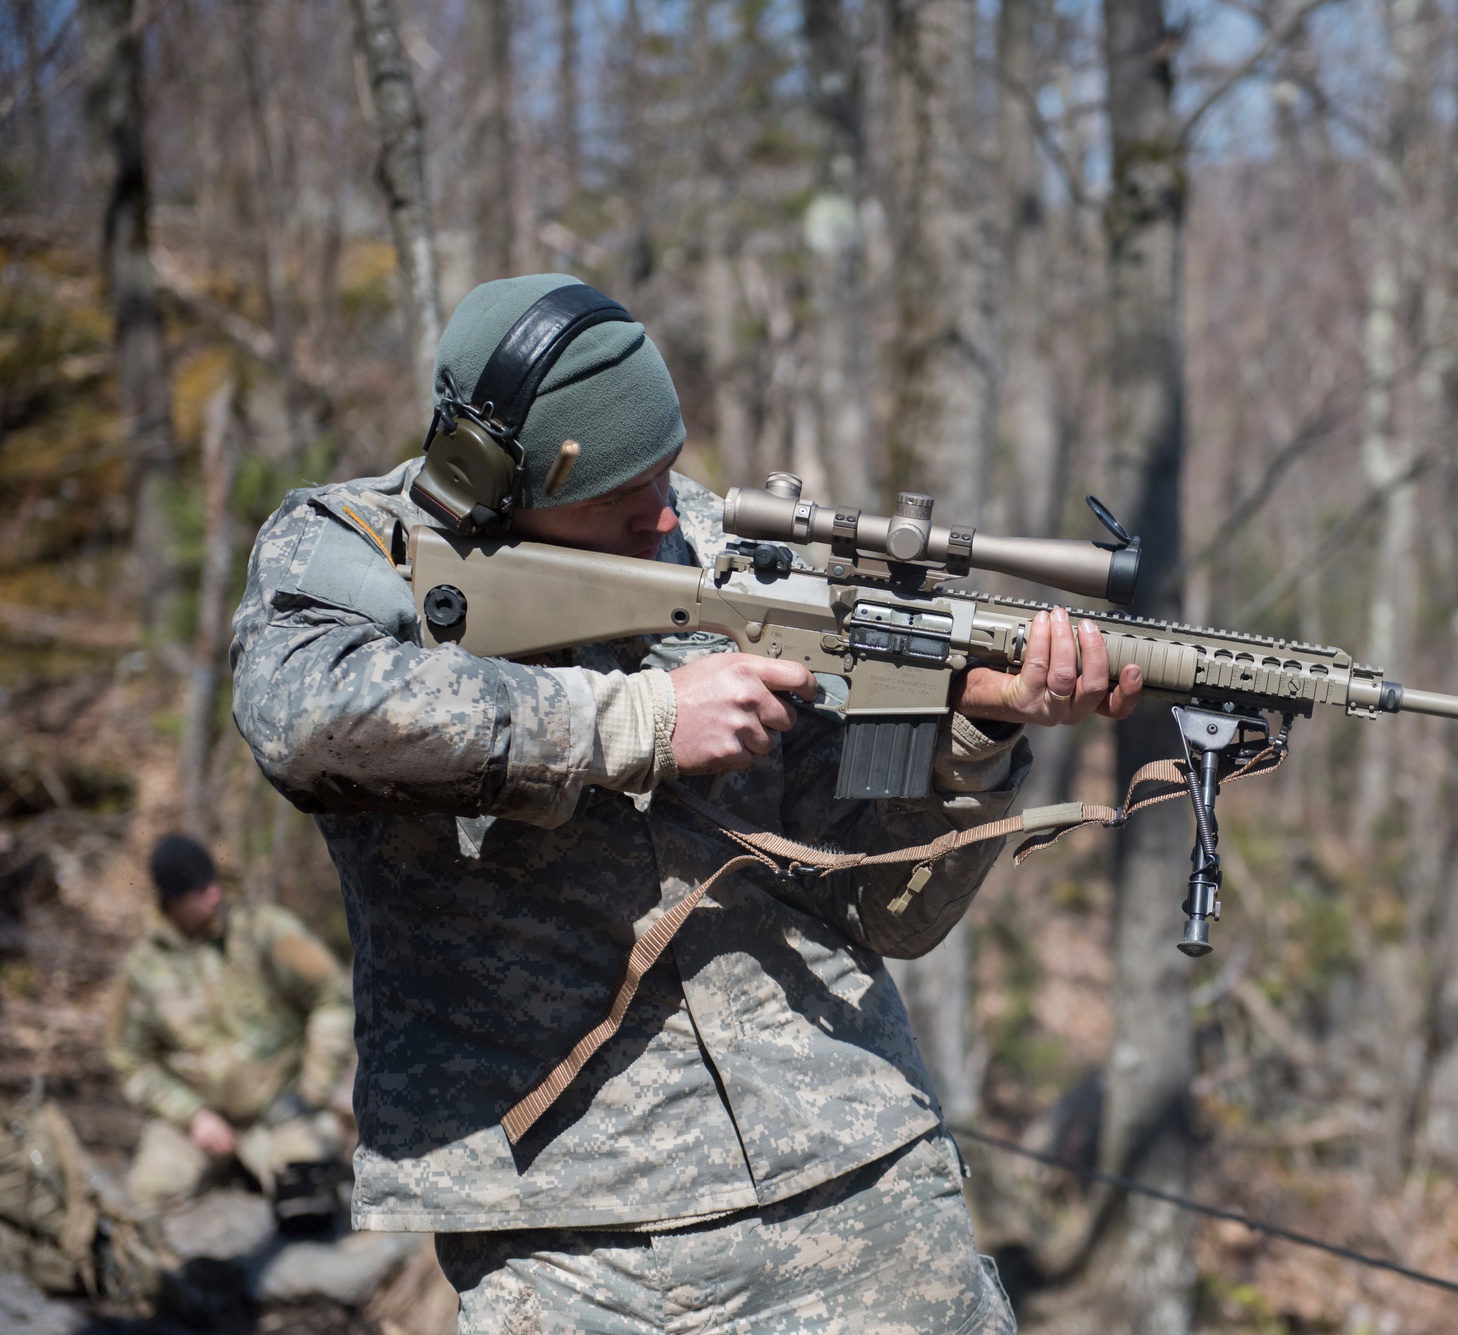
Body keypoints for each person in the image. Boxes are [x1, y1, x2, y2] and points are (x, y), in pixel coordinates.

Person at [228, 273, 1142, 1333]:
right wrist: (644, 721)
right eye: (621, 494)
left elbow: (881, 905)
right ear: (486, 476)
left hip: (856, 1172)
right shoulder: (348, 548)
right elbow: (306, 720)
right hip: (571, 1235)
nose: (665, 513)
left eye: (666, 470)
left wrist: (975, 738)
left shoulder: (725, 548)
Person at [105, 835, 354, 1219]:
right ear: (172, 901)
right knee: (151, 1196)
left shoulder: (263, 932)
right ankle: (231, 1173)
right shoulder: (142, 970)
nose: (214, 894)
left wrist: (311, 1090)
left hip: (282, 1108)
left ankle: (273, 1170)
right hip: (198, 1121)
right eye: (198, 890)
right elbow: (129, 1060)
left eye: (213, 881)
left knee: (305, 1192)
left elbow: (331, 996)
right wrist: (191, 1115)